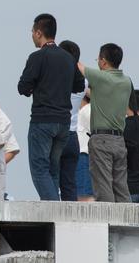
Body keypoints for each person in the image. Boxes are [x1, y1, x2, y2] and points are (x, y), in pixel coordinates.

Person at [17, 14, 85, 201]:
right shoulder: (68, 58)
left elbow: (23, 87)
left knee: (39, 169)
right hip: (63, 123)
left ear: (39, 33)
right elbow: (79, 86)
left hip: (42, 120)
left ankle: (54, 210)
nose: (31, 35)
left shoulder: (37, 57)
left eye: (32, 32)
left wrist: (38, 85)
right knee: (53, 170)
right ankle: (56, 210)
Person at [76, 43, 133, 203]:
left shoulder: (100, 77)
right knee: (120, 186)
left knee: (103, 185)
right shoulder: (126, 82)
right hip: (119, 140)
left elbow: (78, 66)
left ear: (103, 61)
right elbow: (101, 93)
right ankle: (125, 224)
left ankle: (108, 223)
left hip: (101, 139)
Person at [59, 40, 86, 201]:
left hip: (57, 133)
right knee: (69, 183)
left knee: (51, 177)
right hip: (73, 136)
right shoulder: (84, 82)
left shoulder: (55, 79)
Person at [76, 93, 95, 201]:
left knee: (84, 197)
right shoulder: (83, 110)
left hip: (84, 156)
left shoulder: (88, 109)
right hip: (82, 156)